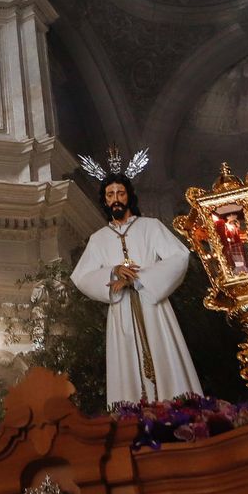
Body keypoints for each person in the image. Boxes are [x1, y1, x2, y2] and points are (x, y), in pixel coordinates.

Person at [70, 148, 201, 405]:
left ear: (129, 195)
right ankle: (132, 415)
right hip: (121, 310)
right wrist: (112, 271)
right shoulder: (98, 239)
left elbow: (179, 256)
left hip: (154, 305)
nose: (116, 199)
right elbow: (81, 276)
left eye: (120, 193)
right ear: (104, 200)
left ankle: (179, 408)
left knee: (164, 353)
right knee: (127, 365)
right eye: (110, 195)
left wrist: (140, 279)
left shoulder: (150, 227)